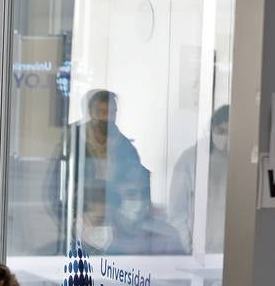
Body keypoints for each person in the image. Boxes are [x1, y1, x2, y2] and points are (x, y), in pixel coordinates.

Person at [51, 89, 147, 254]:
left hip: (115, 231)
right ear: (90, 113)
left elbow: (137, 190)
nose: (107, 118)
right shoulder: (72, 141)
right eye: (101, 112)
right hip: (78, 226)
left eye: (111, 112)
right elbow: (55, 187)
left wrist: (127, 224)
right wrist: (70, 221)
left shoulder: (127, 149)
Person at [169, 105, 229, 253]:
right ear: (211, 128)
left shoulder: (241, 162)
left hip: (231, 250)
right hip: (198, 251)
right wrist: (188, 248)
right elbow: (177, 212)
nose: (226, 138)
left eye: (230, 132)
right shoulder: (190, 159)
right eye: (221, 131)